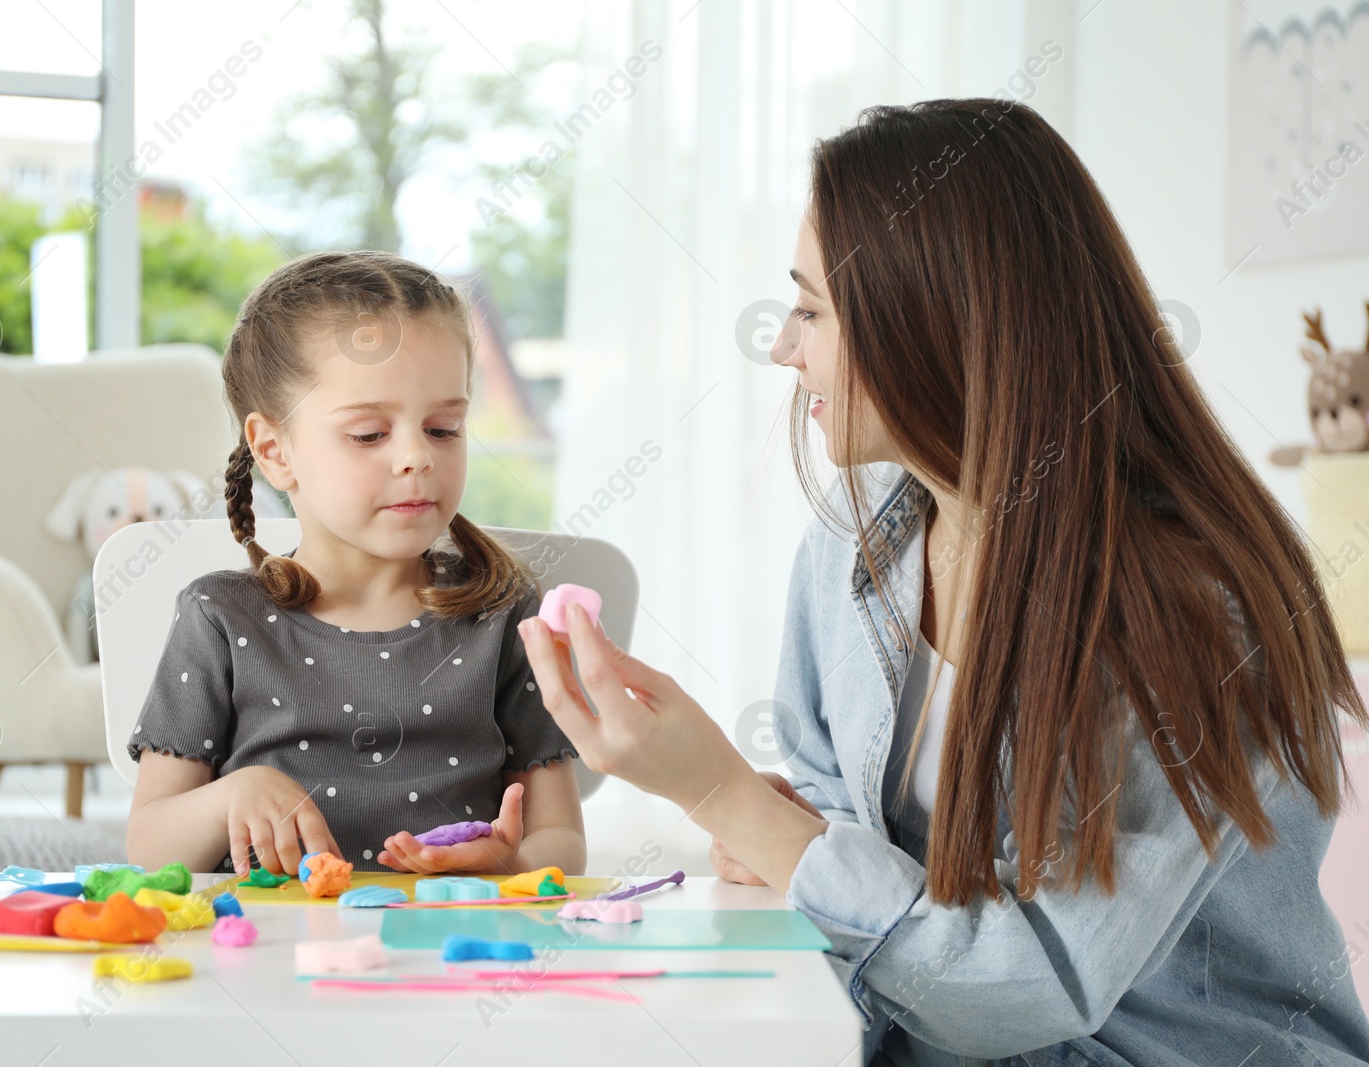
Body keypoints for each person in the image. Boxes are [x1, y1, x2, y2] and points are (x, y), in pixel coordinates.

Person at [519, 98, 1369, 1065]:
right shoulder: (852, 545)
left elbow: (1031, 989)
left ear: (933, 322)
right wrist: (792, 836)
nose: (782, 346)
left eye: (811, 309)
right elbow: (841, 818)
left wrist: (722, 795)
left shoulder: (1198, 610)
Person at [126, 250, 585, 881]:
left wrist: (510, 863)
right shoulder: (222, 616)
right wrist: (233, 794)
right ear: (274, 450)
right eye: (370, 434)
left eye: (444, 428)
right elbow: (149, 847)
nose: (416, 457)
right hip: (271, 962)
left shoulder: (503, 612)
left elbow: (559, 838)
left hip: (449, 955)